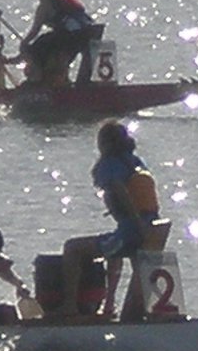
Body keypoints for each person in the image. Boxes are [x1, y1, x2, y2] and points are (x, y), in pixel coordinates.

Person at [56, 121, 160, 320]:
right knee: (114, 249)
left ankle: (69, 307)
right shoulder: (135, 161)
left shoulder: (108, 164)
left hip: (133, 232)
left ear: (104, 143)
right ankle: (110, 306)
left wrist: (135, 222)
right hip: (151, 230)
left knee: (72, 248)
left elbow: (119, 190)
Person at [20, 0, 101, 85]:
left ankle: (39, 79)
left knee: (37, 49)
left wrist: (24, 44)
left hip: (71, 36)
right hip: (90, 32)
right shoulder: (65, 2)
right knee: (52, 44)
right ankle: (75, 81)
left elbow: (35, 30)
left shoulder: (45, 6)